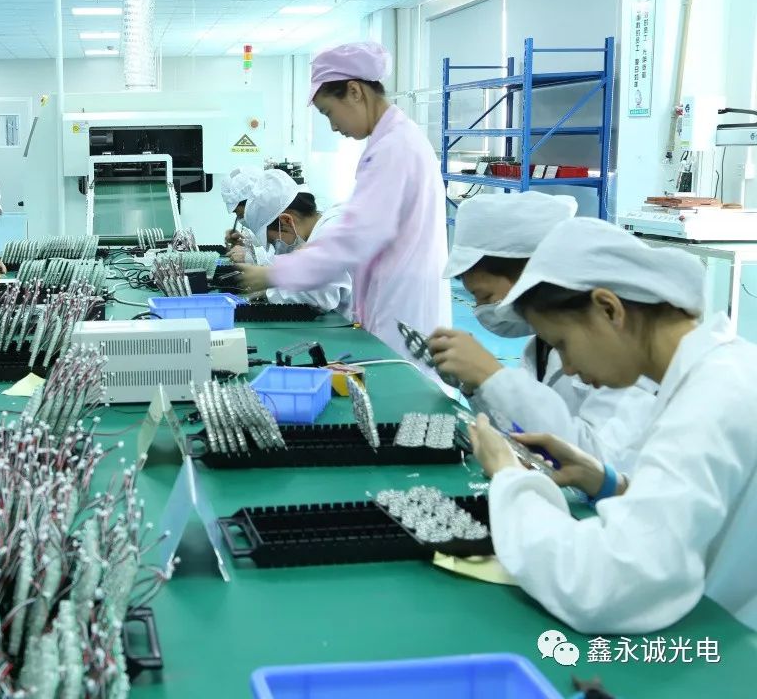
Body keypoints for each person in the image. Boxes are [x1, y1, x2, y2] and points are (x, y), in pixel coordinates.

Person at [467, 217, 757, 633]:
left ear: (609, 309)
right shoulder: (721, 368)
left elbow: (607, 584)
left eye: (564, 344)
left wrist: (512, 481)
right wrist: (610, 483)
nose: (568, 367)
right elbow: (703, 513)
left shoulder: (710, 400)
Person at [237, 42, 451, 362]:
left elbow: (355, 239)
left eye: (328, 113)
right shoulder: (392, 143)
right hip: (392, 303)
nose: (334, 126)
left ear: (354, 91)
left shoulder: (396, 149)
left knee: (404, 381)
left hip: (403, 311)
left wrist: (273, 274)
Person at [427, 191, 656, 468]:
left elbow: (601, 463)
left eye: (486, 296)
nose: (480, 310)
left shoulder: (623, 354)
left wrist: (493, 376)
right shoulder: (539, 347)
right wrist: (476, 385)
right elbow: (522, 428)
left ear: (530, 277)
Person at [232, 168, 352, 318]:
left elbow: (319, 295)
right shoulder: (319, 234)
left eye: (274, 241)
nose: (278, 246)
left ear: (286, 220)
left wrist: (269, 290)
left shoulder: (332, 229)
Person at [221, 166, 265, 257]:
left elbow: (285, 254)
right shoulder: (266, 221)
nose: (238, 216)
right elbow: (264, 238)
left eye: (237, 212)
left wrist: (251, 256)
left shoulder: (282, 218)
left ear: (252, 203)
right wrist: (245, 241)